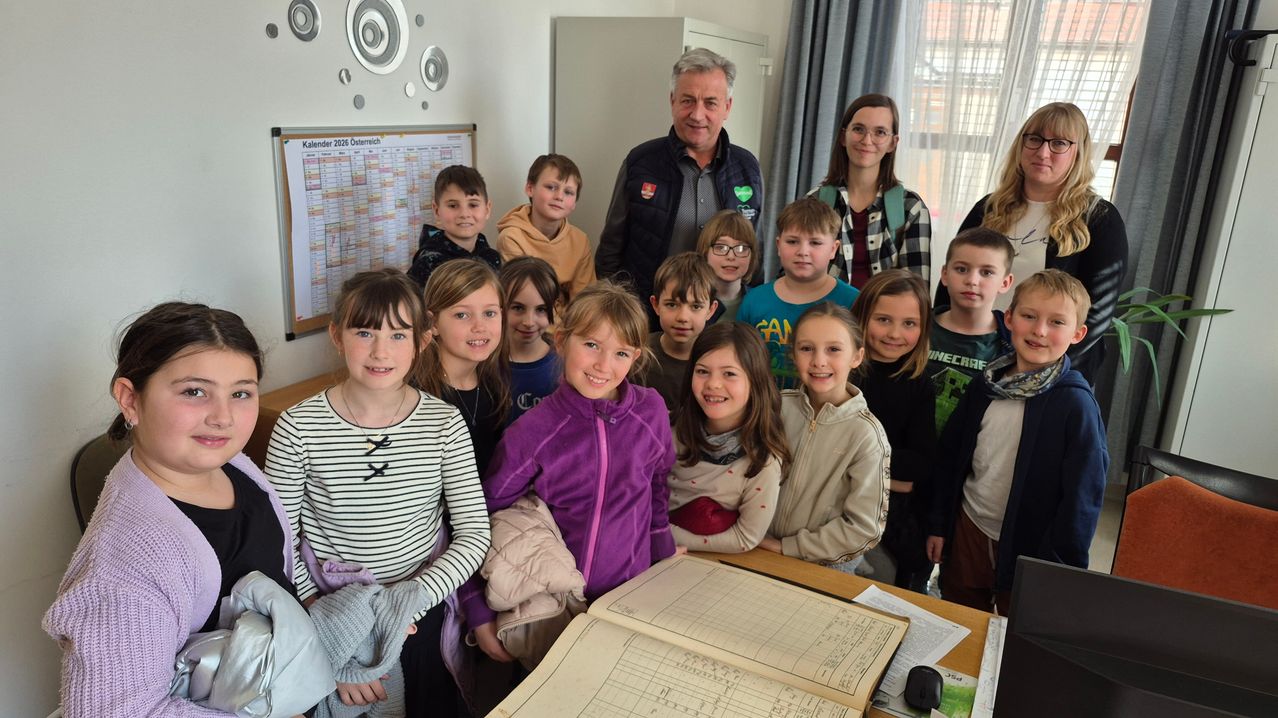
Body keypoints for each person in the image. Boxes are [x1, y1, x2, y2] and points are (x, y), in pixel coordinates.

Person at [45, 302, 304, 716]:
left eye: (240, 393)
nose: (222, 418)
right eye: (194, 391)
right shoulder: (127, 561)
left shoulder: (235, 466)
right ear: (130, 399)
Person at [265, 269, 490, 714]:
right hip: (329, 609)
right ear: (336, 335)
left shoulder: (443, 424)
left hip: (420, 606)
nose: (381, 351)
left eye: (399, 335)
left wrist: (409, 601)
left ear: (423, 339)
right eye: (364, 331)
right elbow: (281, 542)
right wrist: (330, 627)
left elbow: (473, 535)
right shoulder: (297, 428)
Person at [464, 281, 678, 664]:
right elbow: (477, 517)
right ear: (562, 341)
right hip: (554, 609)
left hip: (632, 599)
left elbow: (658, 484)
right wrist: (477, 612)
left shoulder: (651, 411)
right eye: (591, 345)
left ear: (636, 357)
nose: (602, 365)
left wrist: (663, 565)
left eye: (621, 353)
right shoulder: (534, 431)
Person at [926, 270, 1108, 616]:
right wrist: (939, 524)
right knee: (961, 620)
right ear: (1009, 318)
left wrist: (1061, 569)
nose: (1040, 331)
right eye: (1029, 316)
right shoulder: (986, 384)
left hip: (1031, 547)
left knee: (1016, 634)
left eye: (1056, 322)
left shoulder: (1075, 404)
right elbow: (951, 457)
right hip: (971, 528)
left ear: (1078, 334)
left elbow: (1084, 496)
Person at [936, 102, 1128, 381]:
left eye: (1059, 143)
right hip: (973, 354)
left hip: (1048, 369)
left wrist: (1037, 369)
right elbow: (952, 281)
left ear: (1078, 152)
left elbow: (1096, 312)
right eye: (1035, 139)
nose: (1043, 151)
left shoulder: (1099, 219)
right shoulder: (988, 208)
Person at [595, 47, 763, 311]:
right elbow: (610, 250)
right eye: (687, 100)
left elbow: (755, 251)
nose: (697, 114)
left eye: (710, 102)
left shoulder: (747, 167)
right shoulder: (640, 162)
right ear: (672, 100)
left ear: (727, 107)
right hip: (649, 317)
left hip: (722, 319)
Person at [760, 302, 891, 572]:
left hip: (823, 564)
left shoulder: (866, 435)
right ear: (793, 355)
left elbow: (864, 528)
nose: (819, 361)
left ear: (856, 356)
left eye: (833, 349)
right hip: (761, 545)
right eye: (807, 348)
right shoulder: (775, 407)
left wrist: (792, 547)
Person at [667, 322, 790, 553]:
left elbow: (746, 537)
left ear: (756, 381)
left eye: (729, 374)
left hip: (698, 560)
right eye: (702, 371)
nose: (713, 384)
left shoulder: (763, 460)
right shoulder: (667, 428)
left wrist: (663, 537)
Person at [851, 270, 937, 593]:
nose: (894, 334)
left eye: (909, 324)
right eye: (883, 320)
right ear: (861, 317)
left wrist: (855, 462)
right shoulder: (842, 371)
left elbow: (921, 464)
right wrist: (892, 476)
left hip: (895, 522)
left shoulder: (919, 383)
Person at [808, 93, 932, 286]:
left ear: (893, 143)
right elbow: (794, 273)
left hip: (884, 314)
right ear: (843, 136)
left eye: (880, 132)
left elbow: (916, 291)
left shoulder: (911, 208)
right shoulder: (815, 202)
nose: (867, 140)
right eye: (858, 129)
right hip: (823, 312)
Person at [738, 198, 860, 389]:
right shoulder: (754, 300)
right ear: (778, 245)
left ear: (833, 249)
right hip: (764, 409)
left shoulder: (853, 301)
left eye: (815, 243)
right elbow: (740, 361)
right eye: (793, 241)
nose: (803, 251)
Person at [413, 258, 510, 477]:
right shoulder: (416, 395)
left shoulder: (493, 382)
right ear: (433, 323)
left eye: (490, 313)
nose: (479, 327)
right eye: (462, 315)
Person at [929, 228, 1014, 434]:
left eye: (986, 272)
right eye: (961, 269)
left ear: (1005, 282)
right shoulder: (918, 327)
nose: (972, 281)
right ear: (945, 274)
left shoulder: (1013, 344)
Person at [496, 154, 596, 303]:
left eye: (568, 192)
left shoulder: (580, 240)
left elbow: (584, 300)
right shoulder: (511, 237)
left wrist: (576, 325)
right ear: (530, 189)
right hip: (533, 320)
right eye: (551, 187)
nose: (559, 197)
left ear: (574, 202)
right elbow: (528, 300)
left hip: (572, 323)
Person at [637, 251, 719, 413]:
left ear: (711, 310)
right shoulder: (638, 355)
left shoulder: (717, 359)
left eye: (695, 307)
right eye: (672, 305)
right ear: (656, 304)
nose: (683, 317)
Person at [408, 165, 501, 288]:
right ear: (437, 211)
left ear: (487, 209)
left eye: (473, 205)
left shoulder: (492, 257)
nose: (464, 214)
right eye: (453, 206)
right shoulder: (428, 264)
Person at [500, 256, 560, 424]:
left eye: (541, 309)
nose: (529, 322)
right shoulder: (484, 363)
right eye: (518, 308)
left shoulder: (564, 366)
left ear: (555, 308)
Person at [697, 209, 759, 323]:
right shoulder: (691, 300)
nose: (731, 256)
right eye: (721, 247)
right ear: (705, 252)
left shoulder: (760, 301)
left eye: (741, 248)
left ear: (752, 255)